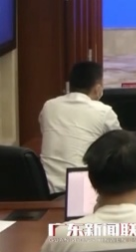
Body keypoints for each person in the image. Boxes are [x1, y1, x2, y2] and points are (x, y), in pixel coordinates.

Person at [39, 62, 121, 194]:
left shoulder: (49, 106)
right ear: (97, 89)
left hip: (46, 189)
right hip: (83, 192)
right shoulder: (104, 111)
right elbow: (120, 147)